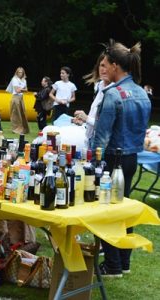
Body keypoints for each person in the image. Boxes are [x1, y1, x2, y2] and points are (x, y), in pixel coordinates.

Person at [91, 39, 151, 277]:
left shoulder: (113, 94)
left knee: (104, 211)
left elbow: (101, 138)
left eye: (107, 64)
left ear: (115, 65)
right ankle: (124, 262)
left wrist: (93, 164)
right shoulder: (142, 93)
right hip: (131, 159)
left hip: (112, 160)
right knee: (123, 208)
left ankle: (113, 264)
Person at [72, 53, 112, 146]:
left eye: (107, 66)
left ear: (114, 69)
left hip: (103, 144)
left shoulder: (114, 92)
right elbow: (95, 117)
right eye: (101, 65)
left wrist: (86, 118)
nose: (103, 69)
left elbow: (107, 126)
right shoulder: (99, 86)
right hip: (91, 139)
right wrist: (84, 121)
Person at [7, 67, 29, 134]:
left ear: (23, 73)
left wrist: (21, 89)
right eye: (19, 72)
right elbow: (17, 90)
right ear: (17, 72)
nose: (20, 73)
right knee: (15, 114)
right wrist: (23, 89)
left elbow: (26, 90)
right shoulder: (14, 79)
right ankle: (16, 129)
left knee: (22, 113)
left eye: (21, 72)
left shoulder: (24, 80)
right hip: (15, 97)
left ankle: (24, 129)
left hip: (21, 97)